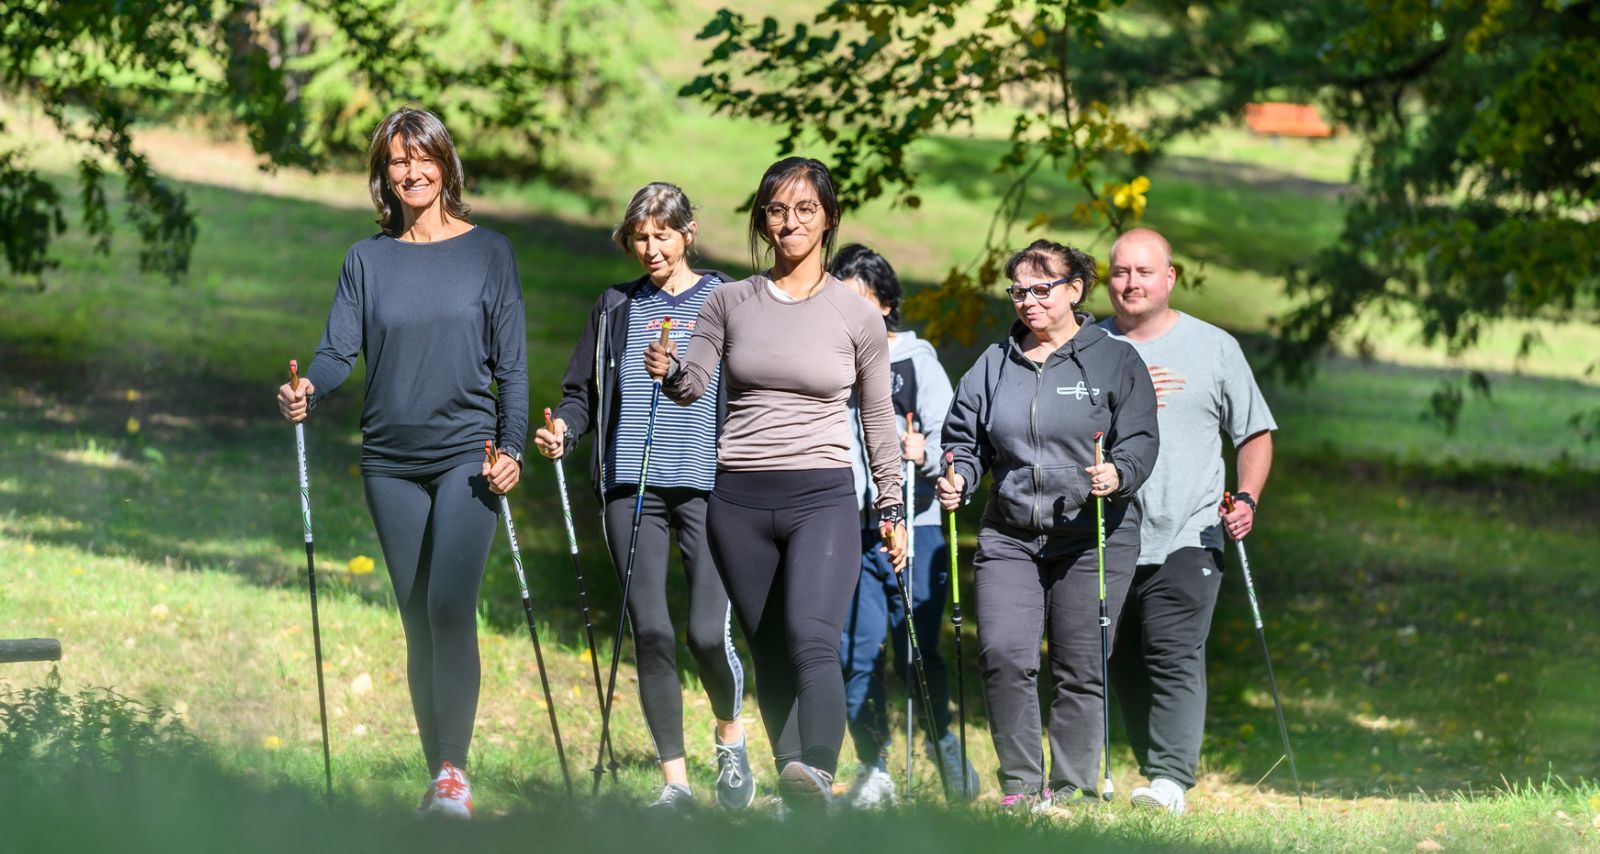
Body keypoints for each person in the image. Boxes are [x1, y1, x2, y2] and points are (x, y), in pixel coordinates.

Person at [275, 107, 526, 819]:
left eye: (423, 158)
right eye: (396, 161)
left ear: (446, 164)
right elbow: (336, 351)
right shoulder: (367, 259)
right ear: (383, 174)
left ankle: (456, 769)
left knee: (450, 604)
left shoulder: (490, 253)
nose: (411, 172)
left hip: (466, 457)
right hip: (389, 460)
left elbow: (512, 366)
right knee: (418, 616)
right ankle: (438, 777)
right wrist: (308, 388)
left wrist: (510, 449)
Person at [643, 157, 906, 811]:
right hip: (738, 500)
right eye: (777, 210)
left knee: (811, 636)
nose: (790, 222)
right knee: (768, 650)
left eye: (805, 209)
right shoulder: (729, 302)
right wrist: (671, 371)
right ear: (762, 218)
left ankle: (815, 767)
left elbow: (876, 417)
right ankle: (798, 788)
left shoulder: (857, 316)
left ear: (828, 219)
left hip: (821, 497)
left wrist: (893, 501)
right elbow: (693, 384)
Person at [534, 182, 754, 811]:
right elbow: (579, 391)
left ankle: (730, 736)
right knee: (651, 631)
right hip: (629, 487)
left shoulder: (728, 299)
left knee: (707, 635)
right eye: (640, 236)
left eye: (663, 234)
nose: (651, 248)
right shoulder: (613, 307)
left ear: (688, 233)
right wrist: (566, 431)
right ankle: (675, 785)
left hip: (711, 487)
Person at [936, 239, 1159, 809]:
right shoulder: (993, 363)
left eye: (1041, 290)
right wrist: (959, 473)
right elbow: (965, 439)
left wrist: (1120, 473)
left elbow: (1139, 438)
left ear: (1075, 290)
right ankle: (1021, 786)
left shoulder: (1114, 360)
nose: (1028, 302)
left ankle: (1075, 788)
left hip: (1094, 536)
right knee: (1005, 656)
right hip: (1010, 535)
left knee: (1079, 665)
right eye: (1018, 292)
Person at [1100, 227, 1277, 816]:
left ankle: (1172, 779)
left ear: (1169, 278)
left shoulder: (1214, 348)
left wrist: (1246, 499)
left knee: (1172, 650)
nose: (1131, 283)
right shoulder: (1086, 344)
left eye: (1143, 272)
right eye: (1121, 272)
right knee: (1119, 657)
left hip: (1190, 528)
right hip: (1104, 533)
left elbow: (1253, 432)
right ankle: (1152, 768)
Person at [829, 244, 975, 807]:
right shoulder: (830, 361)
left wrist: (927, 453)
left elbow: (954, 444)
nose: (852, 314)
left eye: (862, 302)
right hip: (853, 529)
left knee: (916, 651)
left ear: (887, 305)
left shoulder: (918, 364)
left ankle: (942, 746)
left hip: (916, 526)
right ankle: (874, 767)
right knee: (856, 652)